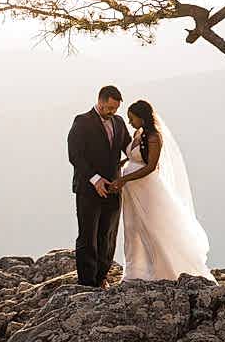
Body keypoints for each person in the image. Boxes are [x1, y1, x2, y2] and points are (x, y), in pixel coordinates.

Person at [110, 99, 214, 282]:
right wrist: (123, 164)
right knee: (132, 227)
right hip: (132, 190)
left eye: (132, 118)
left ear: (142, 118)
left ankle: (160, 270)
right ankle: (135, 270)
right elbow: (135, 156)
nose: (130, 122)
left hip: (146, 188)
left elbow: (150, 166)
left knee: (151, 228)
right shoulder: (138, 133)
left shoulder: (154, 137)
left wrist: (124, 179)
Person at [67, 85, 132, 287]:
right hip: (88, 188)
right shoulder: (82, 121)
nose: (112, 112)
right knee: (88, 235)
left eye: (116, 108)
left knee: (108, 234)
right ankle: (87, 282)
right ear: (101, 101)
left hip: (113, 187)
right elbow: (75, 155)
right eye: (110, 107)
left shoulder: (120, 122)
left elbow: (129, 148)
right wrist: (95, 179)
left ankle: (101, 276)